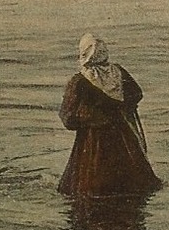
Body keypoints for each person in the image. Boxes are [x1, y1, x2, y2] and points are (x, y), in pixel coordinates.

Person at [57, 33, 160, 198]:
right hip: (122, 135)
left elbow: (68, 118)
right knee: (132, 182)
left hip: (92, 141)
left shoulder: (79, 81)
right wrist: (118, 109)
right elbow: (136, 93)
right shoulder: (118, 72)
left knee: (90, 185)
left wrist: (90, 117)